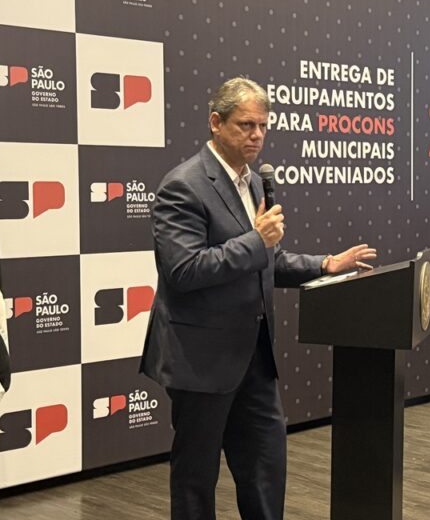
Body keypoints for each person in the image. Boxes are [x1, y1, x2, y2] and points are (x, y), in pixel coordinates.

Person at [139, 77, 377, 520]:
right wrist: (256, 240)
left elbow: (267, 260)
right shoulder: (183, 186)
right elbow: (184, 271)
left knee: (266, 468)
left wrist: (325, 264)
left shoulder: (251, 182)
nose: (257, 135)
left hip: (253, 356)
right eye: (246, 125)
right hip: (201, 359)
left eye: (263, 126)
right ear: (216, 123)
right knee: (196, 479)